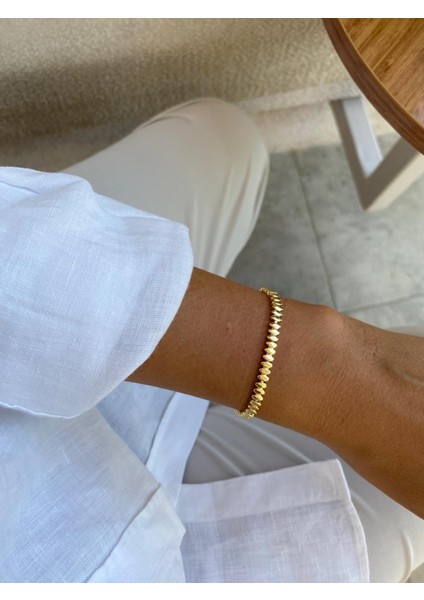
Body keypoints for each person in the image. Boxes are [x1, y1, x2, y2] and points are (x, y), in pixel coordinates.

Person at [0, 97, 423, 583]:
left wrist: (311, 356)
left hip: (44, 407)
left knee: (224, 139)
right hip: (134, 566)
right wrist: (325, 369)